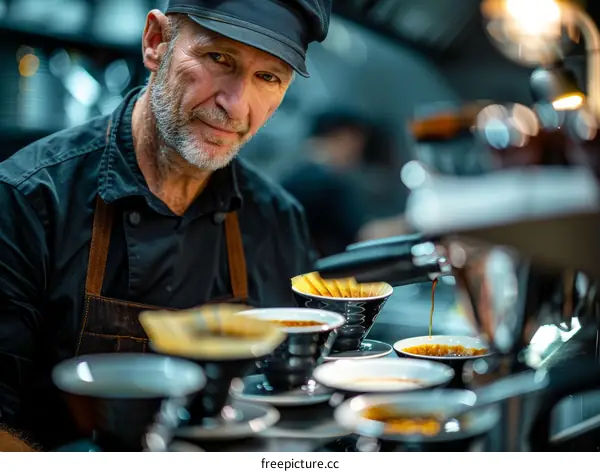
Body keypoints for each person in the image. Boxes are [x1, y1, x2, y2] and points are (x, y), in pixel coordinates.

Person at [0, 0, 331, 450]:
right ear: (156, 42)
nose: (234, 105)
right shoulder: (28, 200)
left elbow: (294, 401)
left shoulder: (278, 220)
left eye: (268, 77)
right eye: (219, 58)